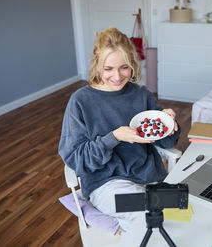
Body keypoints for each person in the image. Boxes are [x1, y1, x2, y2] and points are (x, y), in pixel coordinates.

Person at [58, 27, 180, 232]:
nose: (117, 76)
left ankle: (114, 225)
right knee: (150, 220)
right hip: (106, 184)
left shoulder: (141, 95)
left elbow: (167, 142)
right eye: (108, 69)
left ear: (133, 63)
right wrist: (114, 137)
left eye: (124, 67)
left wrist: (168, 123)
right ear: (97, 65)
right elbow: (76, 159)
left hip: (151, 177)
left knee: (183, 215)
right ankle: (114, 222)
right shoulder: (81, 101)